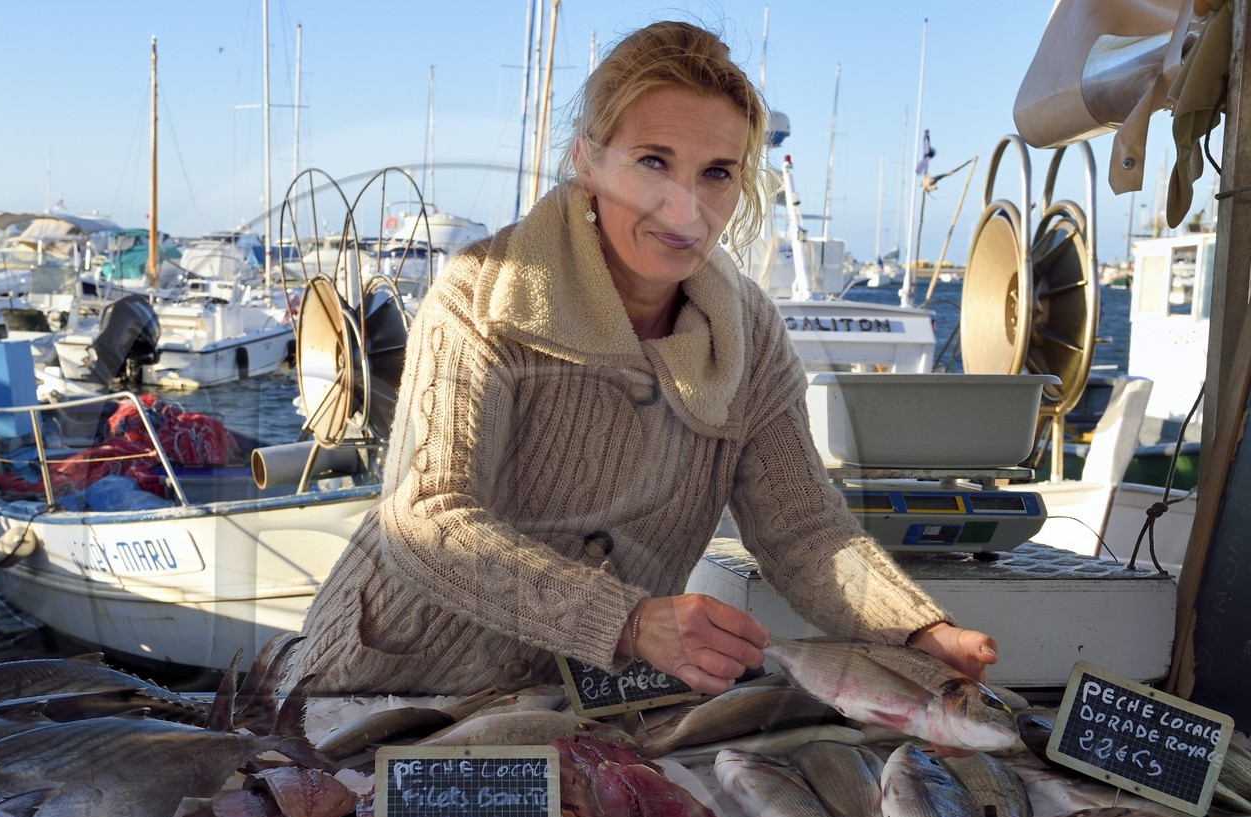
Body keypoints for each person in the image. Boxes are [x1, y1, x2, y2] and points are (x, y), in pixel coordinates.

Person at [286, 19, 997, 696]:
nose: (684, 207)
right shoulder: (481, 292)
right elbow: (426, 517)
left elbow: (803, 529)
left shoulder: (750, 332)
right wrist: (625, 622)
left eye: (716, 173)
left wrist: (918, 632)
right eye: (653, 161)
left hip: (568, 705)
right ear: (589, 161)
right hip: (381, 685)